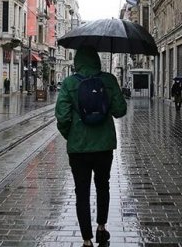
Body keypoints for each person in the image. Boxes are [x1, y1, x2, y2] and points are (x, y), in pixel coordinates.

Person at [55, 46, 127, 247]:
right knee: (103, 186)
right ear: (97, 60)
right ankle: (102, 227)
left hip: (78, 148)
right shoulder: (109, 80)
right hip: (104, 146)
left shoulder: (69, 83)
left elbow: (62, 116)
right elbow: (120, 111)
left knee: (82, 192)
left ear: (77, 62)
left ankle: (86, 239)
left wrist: (71, 135)